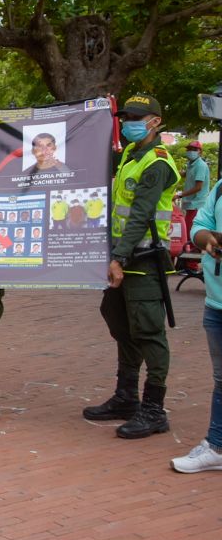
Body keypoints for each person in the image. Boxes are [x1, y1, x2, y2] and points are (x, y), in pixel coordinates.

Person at [85, 94, 179, 438]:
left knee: (149, 333)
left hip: (143, 260)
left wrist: (118, 258)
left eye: (136, 119)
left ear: (154, 122)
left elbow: (140, 215)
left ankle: (153, 410)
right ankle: (126, 396)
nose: (128, 124)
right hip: (122, 257)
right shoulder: (130, 154)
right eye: (126, 118)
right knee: (118, 321)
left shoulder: (157, 162)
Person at [172, 178, 222, 471]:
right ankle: (217, 446)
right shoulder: (221, 187)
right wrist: (208, 239)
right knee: (221, 379)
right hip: (216, 302)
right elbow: (199, 226)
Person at [179, 140, 210, 238]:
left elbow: (198, 187)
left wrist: (179, 195)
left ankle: (192, 245)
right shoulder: (191, 164)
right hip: (190, 203)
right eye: (189, 149)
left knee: (190, 231)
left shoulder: (200, 165)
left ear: (200, 151)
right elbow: (186, 174)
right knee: (187, 229)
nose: (191, 151)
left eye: (194, 149)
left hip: (197, 204)